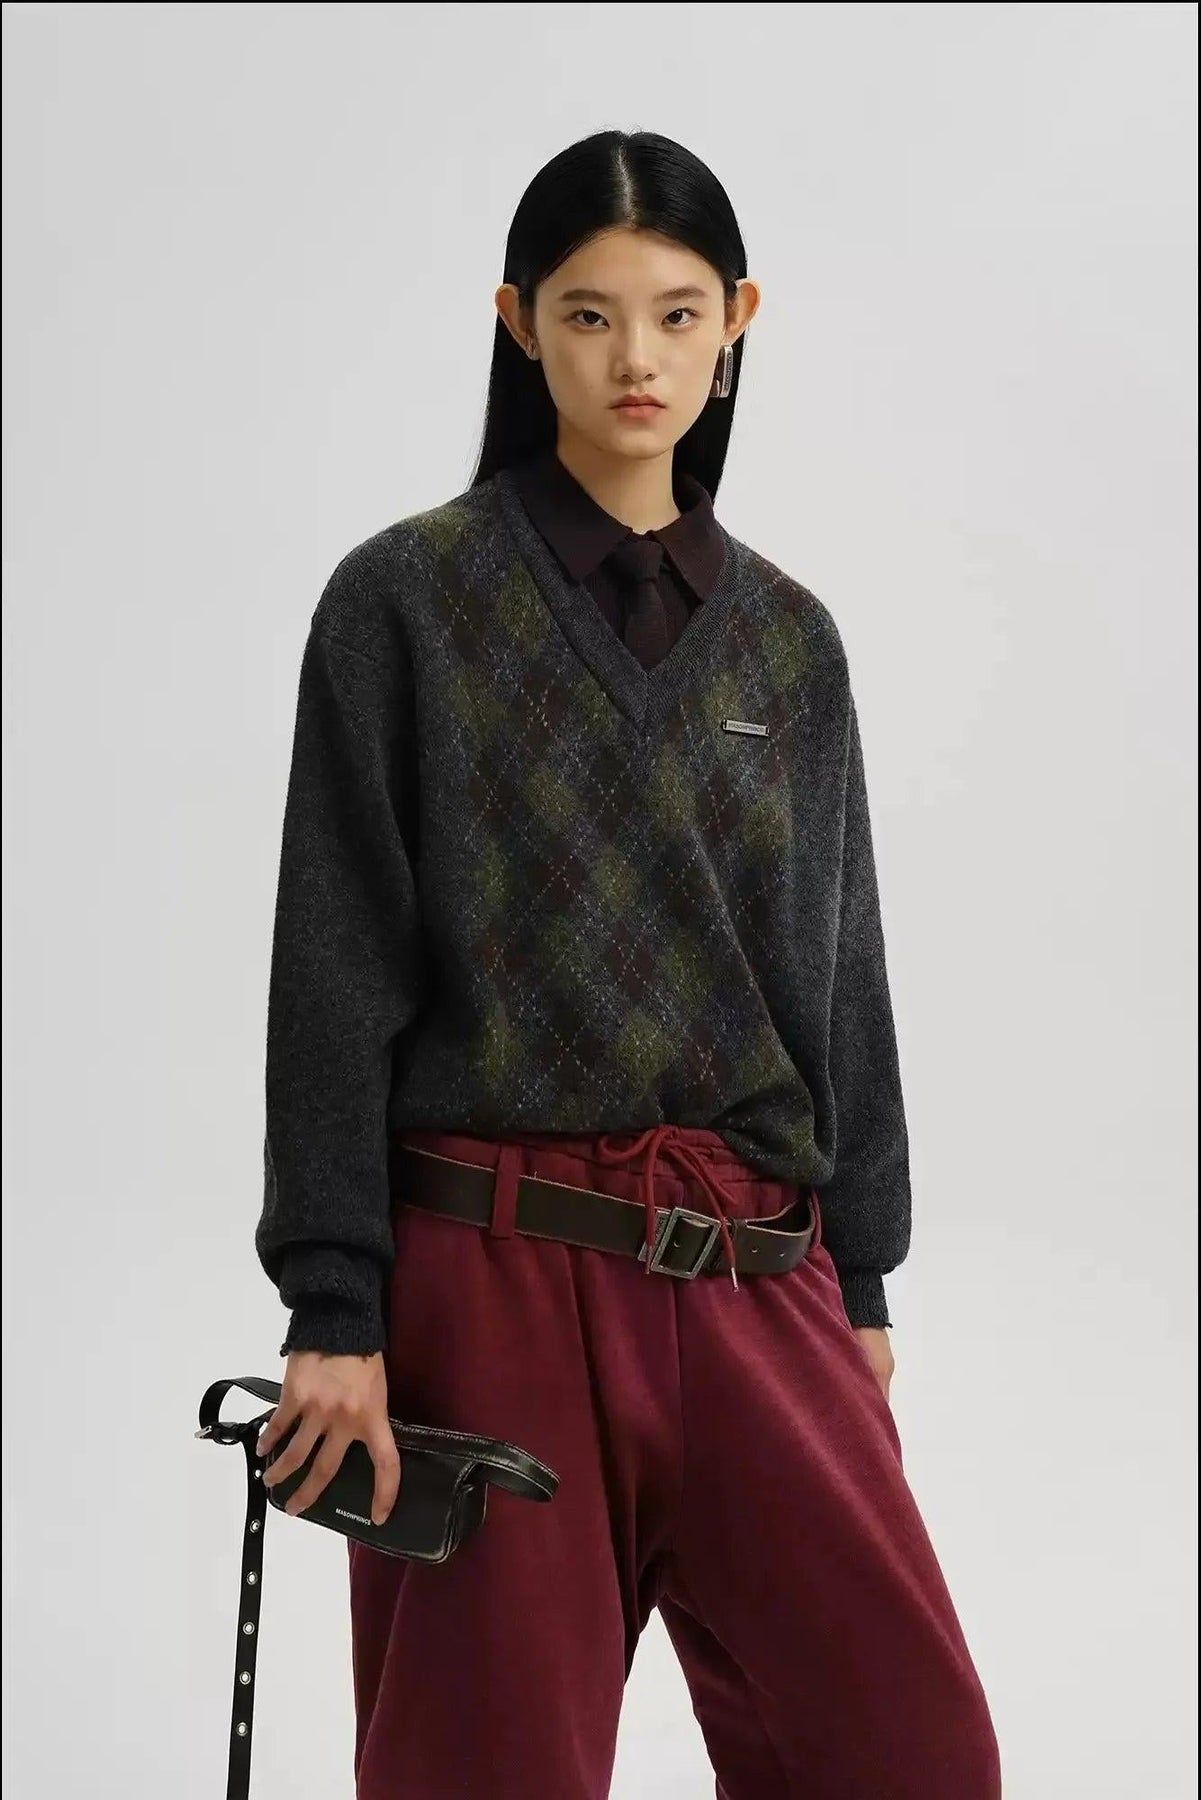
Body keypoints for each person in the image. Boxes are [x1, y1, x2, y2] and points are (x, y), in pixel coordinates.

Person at [251, 128, 1002, 1799]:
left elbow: (837, 974)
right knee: (483, 1770)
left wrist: (859, 1282)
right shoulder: (404, 603)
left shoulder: (788, 641)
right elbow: (335, 969)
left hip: (754, 1274)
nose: (635, 359)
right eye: (588, 316)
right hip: (492, 1275)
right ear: (518, 324)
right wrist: (334, 1309)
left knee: (908, 1751)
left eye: (674, 314)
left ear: (737, 320)